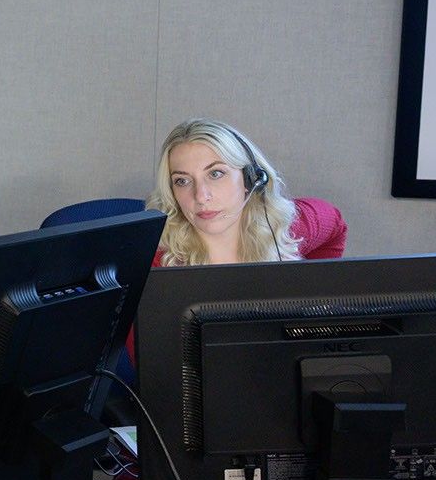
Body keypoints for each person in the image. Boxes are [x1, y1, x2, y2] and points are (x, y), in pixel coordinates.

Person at [127, 118, 347, 361]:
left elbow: (335, 225)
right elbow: (149, 365)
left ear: (250, 179)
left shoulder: (285, 228)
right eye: (182, 181)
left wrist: (313, 293)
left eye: (216, 173)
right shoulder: (154, 266)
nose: (200, 196)